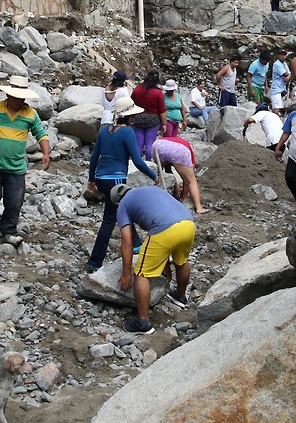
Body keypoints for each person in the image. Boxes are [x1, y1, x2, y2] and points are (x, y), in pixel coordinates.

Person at [0, 75, 49, 246]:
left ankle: (8, 230)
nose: (19, 101)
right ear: (8, 96)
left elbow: (41, 134)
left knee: (14, 202)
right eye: (16, 98)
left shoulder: (30, 114)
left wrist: (46, 153)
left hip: (16, 168)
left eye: (22, 98)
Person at [85, 96, 158, 273]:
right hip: (116, 180)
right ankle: (95, 262)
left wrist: (91, 179)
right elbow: (138, 161)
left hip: (102, 179)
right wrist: (154, 176)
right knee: (109, 220)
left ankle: (137, 245)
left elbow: (95, 156)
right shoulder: (127, 133)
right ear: (128, 117)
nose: (135, 119)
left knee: (123, 210)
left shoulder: (104, 130)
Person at [112, 184, 196, 334]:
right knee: (181, 261)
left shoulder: (123, 205)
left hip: (165, 229)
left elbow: (127, 242)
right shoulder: (150, 189)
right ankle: (180, 297)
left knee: (142, 273)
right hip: (188, 222)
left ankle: (143, 323)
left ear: (117, 203)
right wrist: (165, 265)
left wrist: (126, 274)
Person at [153, 135, 209, 214]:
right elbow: (187, 182)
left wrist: (176, 186)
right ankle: (199, 208)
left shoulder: (172, 140)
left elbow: (168, 171)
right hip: (179, 150)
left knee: (161, 174)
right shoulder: (188, 152)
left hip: (158, 145)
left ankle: (161, 201)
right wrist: (184, 196)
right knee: (191, 180)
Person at [129, 71, 167, 161]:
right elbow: (162, 110)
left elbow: (131, 105)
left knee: (138, 143)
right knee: (150, 142)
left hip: (138, 118)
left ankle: (136, 162)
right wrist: (164, 124)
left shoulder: (137, 89)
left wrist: (130, 118)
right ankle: (149, 162)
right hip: (153, 119)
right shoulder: (158, 93)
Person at [266, 49, 291, 114]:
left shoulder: (284, 64)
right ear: (278, 55)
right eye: (281, 55)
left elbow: (289, 74)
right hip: (276, 89)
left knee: (280, 108)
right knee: (276, 108)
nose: (283, 56)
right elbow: (285, 74)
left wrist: (288, 76)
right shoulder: (277, 64)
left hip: (282, 89)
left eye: (284, 55)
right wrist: (288, 76)